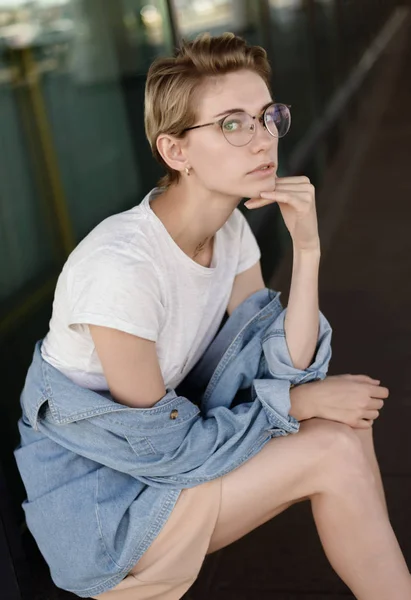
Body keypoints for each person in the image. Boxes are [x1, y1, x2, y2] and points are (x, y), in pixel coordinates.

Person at [14, 32, 411, 600]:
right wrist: (299, 404)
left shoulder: (228, 230)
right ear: (176, 152)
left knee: (342, 429)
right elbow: (163, 451)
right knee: (332, 448)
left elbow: (280, 367)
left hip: (172, 472)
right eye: (232, 123)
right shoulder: (120, 268)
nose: (263, 139)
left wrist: (309, 251)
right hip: (109, 516)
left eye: (267, 116)